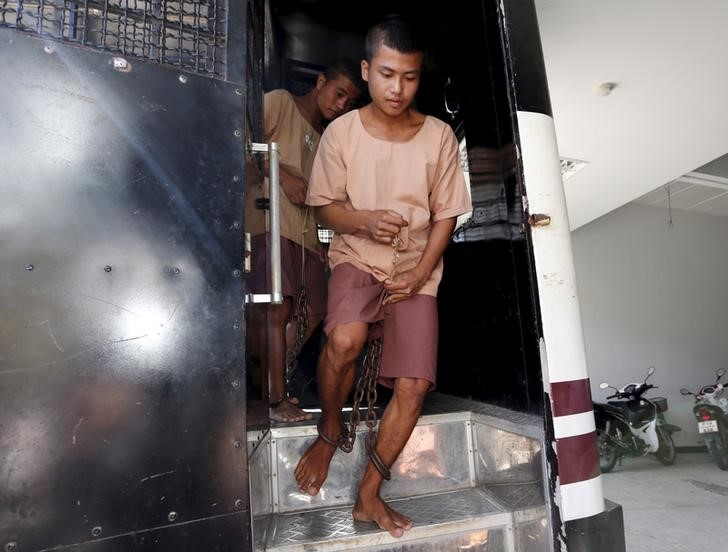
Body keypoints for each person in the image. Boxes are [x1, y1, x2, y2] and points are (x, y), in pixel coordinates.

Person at [294, 16, 472, 538]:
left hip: (418, 268)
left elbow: (446, 215)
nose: (398, 88)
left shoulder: (438, 136)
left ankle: (370, 492)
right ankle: (331, 427)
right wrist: (366, 220)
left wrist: (420, 272)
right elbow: (325, 209)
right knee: (345, 338)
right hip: (358, 256)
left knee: (415, 384)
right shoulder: (341, 133)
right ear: (369, 71)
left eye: (411, 77)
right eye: (388, 74)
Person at [246, 59, 365, 423]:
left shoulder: (329, 137)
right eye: (339, 92)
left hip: (307, 236)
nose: (342, 104)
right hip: (269, 221)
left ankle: (265, 367)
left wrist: (329, 241)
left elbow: (326, 197)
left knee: (315, 308)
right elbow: (243, 142)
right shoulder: (281, 102)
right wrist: (281, 174)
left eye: (349, 101)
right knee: (276, 308)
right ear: (320, 81)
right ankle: (276, 396)